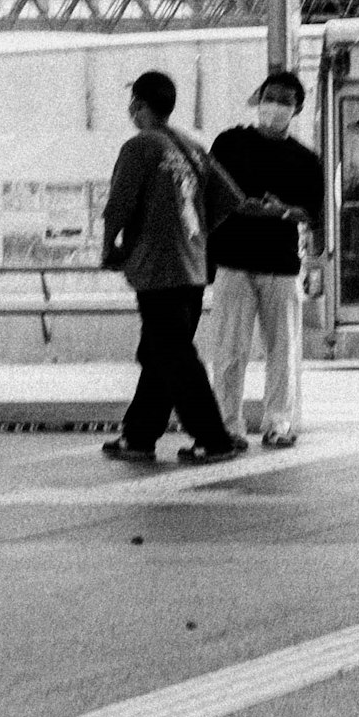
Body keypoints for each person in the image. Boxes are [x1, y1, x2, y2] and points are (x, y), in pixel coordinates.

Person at [101, 69, 245, 463]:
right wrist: (195, 238)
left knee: (175, 356)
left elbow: (118, 205)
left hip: (158, 269)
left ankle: (213, 438)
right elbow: (229, 198)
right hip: (194, 268)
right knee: (159, 352)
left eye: (133, 102)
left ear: (139, 105)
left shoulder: (140, 146)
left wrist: (108, 248)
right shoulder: (192, 147)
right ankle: (140, 435)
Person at [204, 68, 327, 447]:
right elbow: (208, 193)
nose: (275, 106)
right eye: (270, 97)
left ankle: (278, 423)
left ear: (297, 109)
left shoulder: (306, 160)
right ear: (258, 98)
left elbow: (313, 216)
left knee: (283, 352)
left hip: (280, 263)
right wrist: (243, 207)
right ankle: (227, 424)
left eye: (285, 101)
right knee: (229, 349)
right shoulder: (229, 143)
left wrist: (283, 211)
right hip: (232, 260)